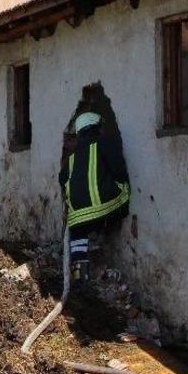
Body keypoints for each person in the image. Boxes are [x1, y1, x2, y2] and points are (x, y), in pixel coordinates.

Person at [58, 111, 130, 284]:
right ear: (97, 127)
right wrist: (121, 185)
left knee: (78, 231)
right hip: (104, 207)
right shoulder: (104, 144)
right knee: (124, 191)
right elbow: (119, 170)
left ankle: (79, 273)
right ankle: (106, 226)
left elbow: (62, 179)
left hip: (78, 216)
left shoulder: (72, 158)